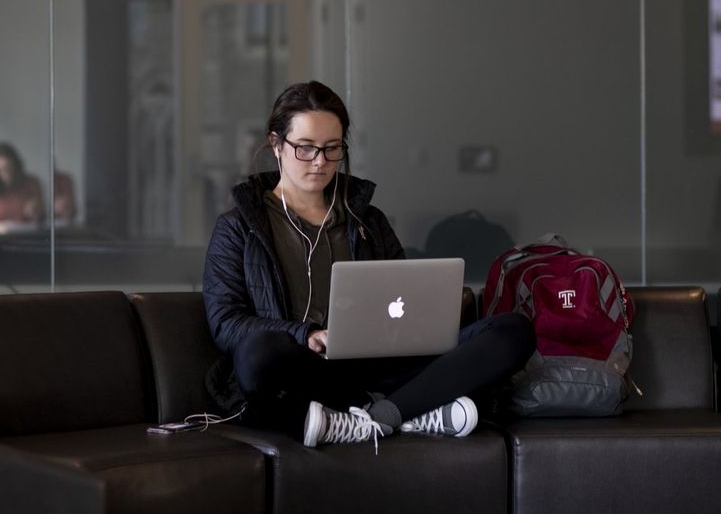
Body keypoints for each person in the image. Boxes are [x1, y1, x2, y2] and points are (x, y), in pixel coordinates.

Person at [202, 81, 535, 449]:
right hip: (307, 371)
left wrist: (427, 317)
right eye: (305, 148)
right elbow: (226, 322)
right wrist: (305, 334)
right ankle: (417, 413)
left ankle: (379, 417)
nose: (320, 161)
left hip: (383, 367)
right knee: (256, 353)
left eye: (332, 149)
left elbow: (404, 301)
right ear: (276, 144)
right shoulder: (240, 227)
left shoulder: (368, 221)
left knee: (513, 332)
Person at [0, 143, 44, 234]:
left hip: (26, 236)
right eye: (1, 170)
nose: (6, 173)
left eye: (8, 168)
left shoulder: (31, 183)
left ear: (16, 166)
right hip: (0, 238)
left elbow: (42, 219)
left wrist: (35, 212)